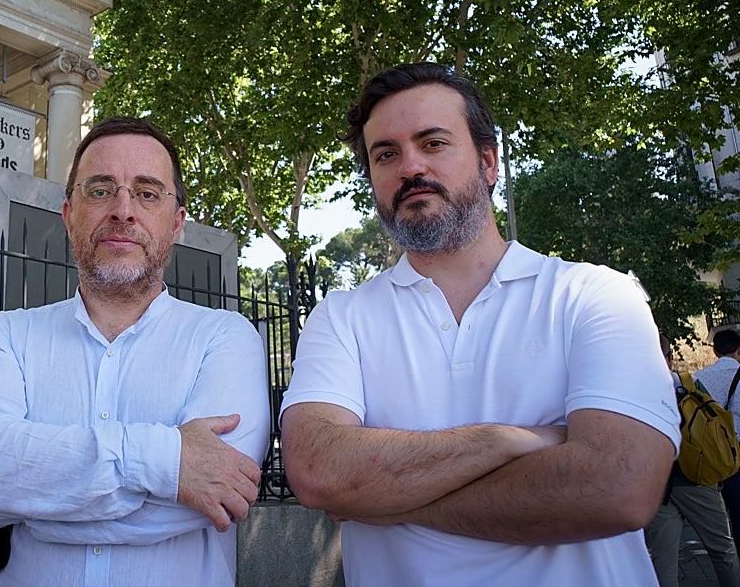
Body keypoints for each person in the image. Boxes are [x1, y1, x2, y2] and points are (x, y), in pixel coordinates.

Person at [280, 62, 679, 586]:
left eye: (434, 143)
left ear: (489, 162)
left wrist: (382, 499)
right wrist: (505, 440)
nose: (409, 167)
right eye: (386, 154)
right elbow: (318, 471)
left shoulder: (594, 294)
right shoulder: (341, 317)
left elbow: (619, 487)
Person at [0, 116, 269, 586]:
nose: (123, 210)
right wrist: (166, 463)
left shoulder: (227, 340)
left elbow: (218, 496)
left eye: (147, 193)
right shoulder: (3, 337)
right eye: (101, 190)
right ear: (69, 215)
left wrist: (7, 508)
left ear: (177, 222)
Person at [645, 335, 740, 587]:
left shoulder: (632, 390)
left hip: (658, 485)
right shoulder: (689, 383)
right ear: (670, 357)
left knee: (663, 562)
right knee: (722, 550)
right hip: (698, 480)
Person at [695, 329, 740, 534]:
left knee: (726, 514)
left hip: (714, 452)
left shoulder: (697, 379)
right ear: (739, 350)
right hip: (738, 446)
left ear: (715, 351)